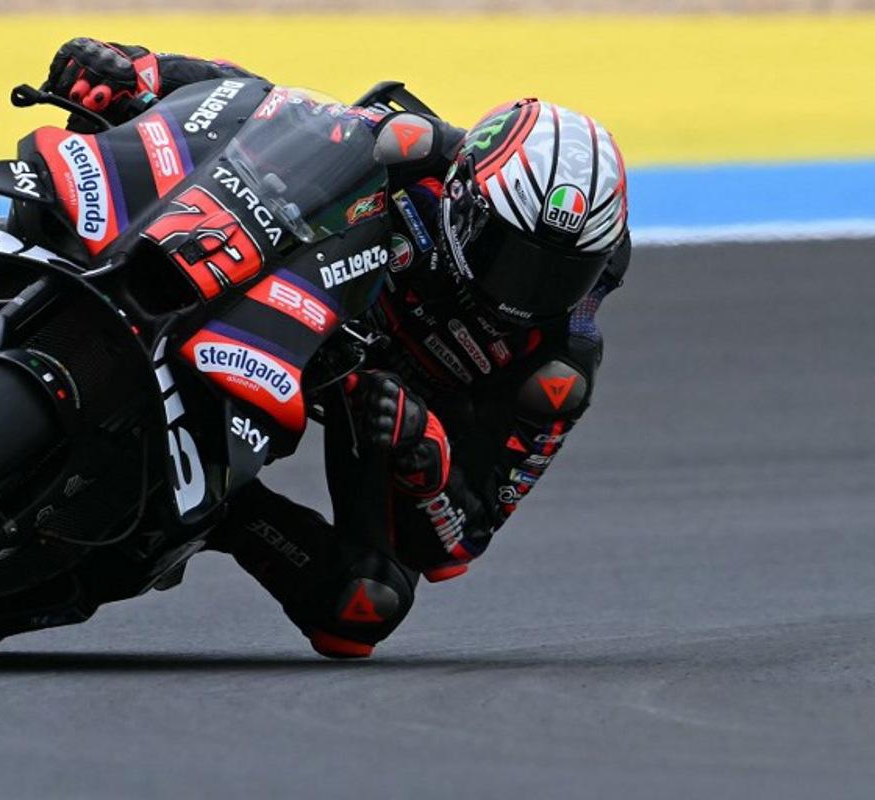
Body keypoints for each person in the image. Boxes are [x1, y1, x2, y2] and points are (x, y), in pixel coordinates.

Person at [44, 38, 632, 658]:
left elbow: (463, 538)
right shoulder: (419, 150)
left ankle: (216, 506)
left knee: (362, 604)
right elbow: (263, 105)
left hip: (369, 398)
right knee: (112, 169)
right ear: (466, 198)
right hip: (293, 281)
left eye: (561, 275)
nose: (527, 292)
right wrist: (139, 70)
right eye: (512, 258)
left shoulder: (557, 371)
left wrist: (423, 455)